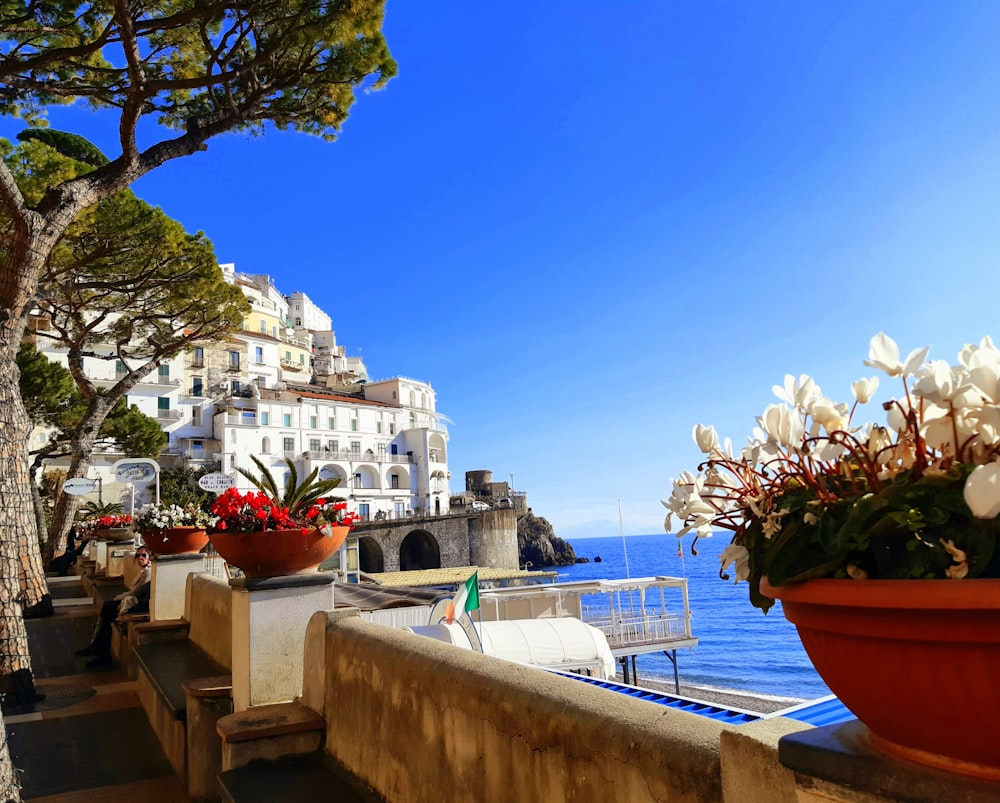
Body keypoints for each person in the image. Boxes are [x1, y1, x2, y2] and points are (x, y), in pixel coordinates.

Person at [75, 547, 152, 669]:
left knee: (109, 608)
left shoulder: (149, 573)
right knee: (108, 609)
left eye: (144, 555)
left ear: (150, 558)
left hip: (140, 606)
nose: (140, 558)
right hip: (135, 602)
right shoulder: (143, 572)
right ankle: (99, 649)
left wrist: (119, 599)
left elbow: (136, 593)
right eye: (137, 556)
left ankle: (100, 651)